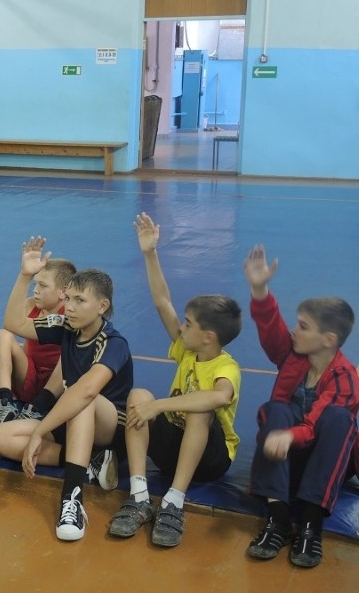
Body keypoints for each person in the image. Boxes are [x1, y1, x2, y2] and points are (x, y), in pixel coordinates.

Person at [108, 213, 242, 548]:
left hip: (210, 460)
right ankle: (139, 494)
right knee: (138, 395)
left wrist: (160, 406)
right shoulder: (188, 350)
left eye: (188, 323)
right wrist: (150, 253)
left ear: (208, 336)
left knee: (200, 410)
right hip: (172, 449)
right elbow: (162, 301)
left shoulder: (226, 367)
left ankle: (174, 501)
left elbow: (218, 397)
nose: (181, 327)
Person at [0, 236, 133, 542]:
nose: (70, 307)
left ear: (102, 306)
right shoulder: (67, 327)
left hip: (107, 427)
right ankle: (91, 461)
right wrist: (24, 275)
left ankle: (72, 498)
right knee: (0, 437)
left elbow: (87, 392)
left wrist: (40, 431)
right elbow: (12, 323)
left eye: (80, 301)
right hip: (69, 418)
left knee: (80, 397)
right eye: (68, 299)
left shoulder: (113, 343)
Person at [243, 244, 358, 569]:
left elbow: (316, 425)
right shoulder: (292, 354)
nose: (295, 330)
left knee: (339, 418)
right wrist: (259, 289)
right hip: (285, 459)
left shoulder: (345, 377)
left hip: (324, 463)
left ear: (328, 340)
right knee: (276, 409)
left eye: (304, 326)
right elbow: (270, 327)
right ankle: (277, 517)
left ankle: (311, 523)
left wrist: (289, 436)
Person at [0, 256, 76, 433]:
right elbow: (9, 324)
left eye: (42, 286)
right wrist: (25, 275)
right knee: (1, 336)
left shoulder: (72, 314)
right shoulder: (30, 305)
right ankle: (5, 403)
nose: (35, 291)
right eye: (35, 284)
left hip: (58, 388)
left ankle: (40, 405)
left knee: (71, 349)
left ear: (63, 292)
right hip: (29, 378)